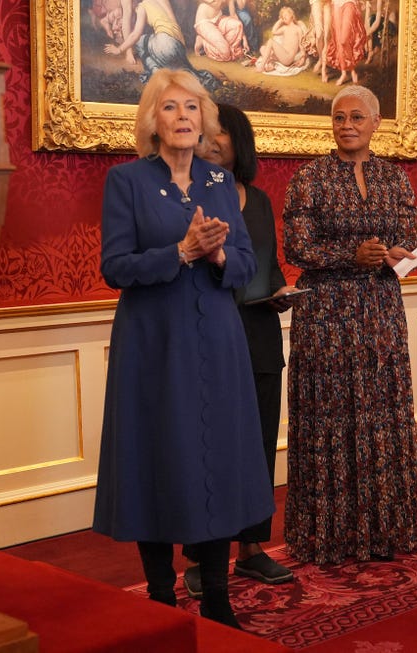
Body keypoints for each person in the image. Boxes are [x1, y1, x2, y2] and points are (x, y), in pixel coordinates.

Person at [92, 69, 274, 629]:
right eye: (171, 107)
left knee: (217, 456)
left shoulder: (220, 182)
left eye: (192, 108)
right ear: (153, 120)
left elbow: (247, 264)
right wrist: (180, 250)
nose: (183, 117)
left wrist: (218, 256)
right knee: (154, 457)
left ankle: (217, 597)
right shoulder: (126, 181)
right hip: (152, 343)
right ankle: (160, 596)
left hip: (218, 340)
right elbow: (114, 267)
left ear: (204, 120)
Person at [283, 84, 417, 564]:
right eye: (339, 117)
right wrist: (352, 254)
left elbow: (412, 239)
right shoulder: (309, 178)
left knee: (382, 416)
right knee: (330, 418)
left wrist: (399, 254)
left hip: (381, 311)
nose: (347, 125)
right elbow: (297, 248)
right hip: (325, 317)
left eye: (357, 117)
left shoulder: (395, 178)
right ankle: (328, 537)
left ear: (376, 123)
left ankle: (386, 531)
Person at [182, 103, 295, 593]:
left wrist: (280, 291)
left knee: (259, 445)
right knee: (208, 448)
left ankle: (251, 549)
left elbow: (266, 265)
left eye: (220, 132)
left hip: (260, 336)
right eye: (204, 132)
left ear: (239, 141)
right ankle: (198, 557)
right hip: (209, 338)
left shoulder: (261, 201)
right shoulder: (189, 197)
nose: (210, 140)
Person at [103, 0, 221, 92]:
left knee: (141, 41)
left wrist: (119, 49)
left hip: (164, 43)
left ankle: (155, 70)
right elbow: (173, 21)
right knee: (180, 69)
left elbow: (135, 34)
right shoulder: (156, 3)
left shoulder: (141, 7)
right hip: (177, 45)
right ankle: (164, 71)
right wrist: (181, 44)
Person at [254, 6, 309, 75]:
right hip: (282, 56)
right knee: (262, 48)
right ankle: (271, 64)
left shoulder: (297, 29)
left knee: (271, 41)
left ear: (291, 15)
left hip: (288, 58)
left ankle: (262, 66)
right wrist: (280, 20)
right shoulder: (284, 28)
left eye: (286, 15)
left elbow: (301, 45)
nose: (284, 17)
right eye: (282, 17)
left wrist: (303, 58)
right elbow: (274, 31)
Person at [327, 0, 367, 85]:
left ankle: (352, 69)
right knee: (338, 40)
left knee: (344, 40)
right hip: (336, 3)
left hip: (349, 2)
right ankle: (344, 73)